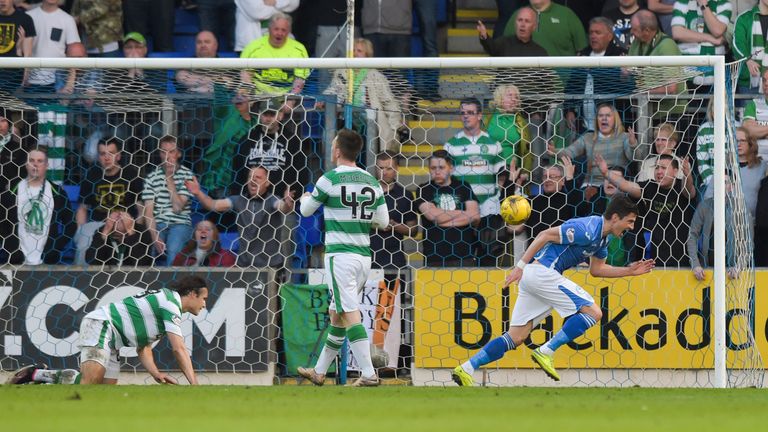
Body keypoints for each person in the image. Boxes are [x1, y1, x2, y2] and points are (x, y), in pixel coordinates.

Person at [451, 195, 654, 385]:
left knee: (517, 337)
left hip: (537, 278)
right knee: (593, 312)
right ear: (616, 217)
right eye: (630, 221)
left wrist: (630, 271)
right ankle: (546, 351)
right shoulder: (587, 228)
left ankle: (466, 368)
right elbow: (544, 235)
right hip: (542, 273)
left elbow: (597, 269)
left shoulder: (603, 239)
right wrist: (519, 267)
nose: (632, 226)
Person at [296, 129, 389, 387]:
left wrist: (306, 196)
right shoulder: (371, 180)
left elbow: (306, 211)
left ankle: (369, 374)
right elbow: (383, 221)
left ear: (337, 150)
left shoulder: (329, 179)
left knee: (349, 314)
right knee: (336, 313)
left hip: (340, 256)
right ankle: (319, 371)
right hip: (363, 256)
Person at [7, 275, 209, 385]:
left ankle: (40, 379)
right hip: (102, 324)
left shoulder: (167, 308)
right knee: (90, 382)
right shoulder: (170, 304)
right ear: (192, 294)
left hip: (114, 340)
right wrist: (194, 385)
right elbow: (179, 349)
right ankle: (38, 377)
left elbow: (144, 348)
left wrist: (156, 374)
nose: (204, 304)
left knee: (105, 388)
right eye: (204, 299)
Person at [596, 153, 695, 266]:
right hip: (656, 254)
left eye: (664, 168)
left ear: (676, 171)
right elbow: (625, 185)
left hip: (682, 254)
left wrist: (688, 175)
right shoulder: (650, 187)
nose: (659, 171)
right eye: (656, 167)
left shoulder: (681, 187)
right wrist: (605, 173)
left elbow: (689, 190)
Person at [186, 165, 295, 268]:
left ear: (267, 183)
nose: (254, 180)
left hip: (270, 265)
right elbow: (212, 205)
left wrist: (288, 203)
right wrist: (198, 193)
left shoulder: (272, 199)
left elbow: (283, 208)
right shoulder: (238, 200)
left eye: (258, 177)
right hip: (244, 264)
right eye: (250, 177)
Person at [444, 97, 506, 266]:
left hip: (488, 210)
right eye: (462, 113)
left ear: (480, 115)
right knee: (464, 258)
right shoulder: (451, 145)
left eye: (470, 113)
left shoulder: (493, 144)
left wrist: (496, 202)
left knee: (488, 259)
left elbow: (501, 177)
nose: (466, 116)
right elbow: (447, 179)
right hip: (462, 210)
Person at [322, 38, 404, 152]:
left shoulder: (376, 76)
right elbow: (332, 90)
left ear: (367, 55)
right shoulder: (341, 72)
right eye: (353, 50)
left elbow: (389, 103)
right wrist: (323, 99)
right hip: (345, 119)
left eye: (359, 51)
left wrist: (396, 127)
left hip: (371, 122)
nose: (355, 54)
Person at [0, 146, 76, 265]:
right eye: (32, 160)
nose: (35, 164)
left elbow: (71, 225)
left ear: (47, 165)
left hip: (47, 262)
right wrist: (11, 248)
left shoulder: (57, 192)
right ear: (26, 164)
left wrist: (54, 248)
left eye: (40, 161)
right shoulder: (11, 191)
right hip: (15, 261)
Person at [74, 138, 143, 265]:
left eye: (111, 153)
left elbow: (141, 209)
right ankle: (81, 279)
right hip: (98, 224)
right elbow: (82, 208)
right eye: (102, 154)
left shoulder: (130, 174)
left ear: (118, 156)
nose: (106, 157)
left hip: (123, 224)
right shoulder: (92, 175)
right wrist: (81, 230)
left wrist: (134, 228)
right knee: (83, 245)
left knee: (139, 245)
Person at [416, 150, 480, 267]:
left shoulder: (463, 186)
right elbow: (433, 216)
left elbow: (475, 216)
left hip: (464, 256)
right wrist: (463, 213)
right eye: (433, 168)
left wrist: (441, 218)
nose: (437, 171)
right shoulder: (424, 189)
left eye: (441, 167)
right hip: (435, 257)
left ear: (451, 168)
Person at [142, 135, 195, 267]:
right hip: (158, 223)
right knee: (146, 249)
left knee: (173, 250)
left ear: (178, 154)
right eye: (163, 151)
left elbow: (178, 207)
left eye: (171, 151)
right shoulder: (151, 177)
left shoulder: (187, 175)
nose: (167, 156)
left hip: (180, 224)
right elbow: (148, 213)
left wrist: (169, 178)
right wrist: (155, 237)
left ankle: (173, 286)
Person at [240, 12, 309, 97]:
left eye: (283, 30)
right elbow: (246, 76)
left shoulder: (299, 50)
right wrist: (250, 97)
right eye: (276, 29)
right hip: (258, 97)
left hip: (288, 97)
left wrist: (290, 100)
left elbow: (300, 79)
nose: (279, 33)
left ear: (288, 32)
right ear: (269, 29)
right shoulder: (253, 47)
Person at [371, 151, 417, 270]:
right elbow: (354, 221)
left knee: (394, 289)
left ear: (396, 169)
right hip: (366, 257)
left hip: (394, 260)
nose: (384, 172)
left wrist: (394, 225)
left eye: (389, 168)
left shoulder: (405, 195)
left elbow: (413, 230)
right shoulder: (365, 193)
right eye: (380, 168)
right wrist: (375, 224)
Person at [670, 0, 731, 87]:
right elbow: (677, 33)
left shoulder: (723, 3)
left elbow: (717, 31)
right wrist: (709, 38)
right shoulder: (681, 2)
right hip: (686, 73)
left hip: (714, 74)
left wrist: (703, 4)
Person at [501, 0, 587, 56]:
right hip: (524, 82)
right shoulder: (517, 16)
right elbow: (504, 50)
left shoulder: (567, 15)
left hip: (561, 83)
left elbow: (582, 51)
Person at [85, 209, 154, 266]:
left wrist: (131, 231)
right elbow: (91, 261)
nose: (119, 217)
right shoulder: (102, 231)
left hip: (134, 277)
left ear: (131, 219)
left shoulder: (142, 231)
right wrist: (105, 233)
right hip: (106, 276)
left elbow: (142, 263)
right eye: (115, 217)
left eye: (123, 216)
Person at [477, 7, 547, 57]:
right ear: (515, 23)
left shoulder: (540, 52)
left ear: (534, 26)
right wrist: (484, 35)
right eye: (520, 20)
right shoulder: (503, 43)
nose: (522, 24)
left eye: (527, 21)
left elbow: (546, 76)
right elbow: (491, 47)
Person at [234, 0, 299, 53]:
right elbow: (258, 12)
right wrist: (280, 9)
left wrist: (275, 2)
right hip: (250, 44)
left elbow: (294, 3)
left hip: (281, 44)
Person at [0, 0, 36, 90]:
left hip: (13, 77)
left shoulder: (25, 19)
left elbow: (28, 53)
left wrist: (25, 78)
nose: (2, 1)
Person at [172, 220, 237, 267]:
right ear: (194, 235)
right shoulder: (182, 255)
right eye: (199, 229)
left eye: (208, 229)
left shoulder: (225, 256)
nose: (203, 231)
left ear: (214, 235)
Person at [741, 68, 768, 161]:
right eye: (764, 80)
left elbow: (754, 131)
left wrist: (760, 132)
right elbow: (749, 131)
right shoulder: (753, 104)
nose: (766, 84)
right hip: (758, 164)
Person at [0, 116, 27, 193]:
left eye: (3, 121)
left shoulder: (19, 150)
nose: (0, 125)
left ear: (9, 124)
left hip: (8, 198)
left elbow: (24, 175)